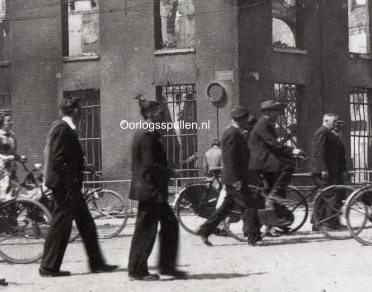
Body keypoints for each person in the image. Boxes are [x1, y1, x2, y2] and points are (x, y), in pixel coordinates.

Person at [39, 97, 117, 277]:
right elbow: (59, 160)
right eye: (80, 109)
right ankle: (48, 267)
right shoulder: (62, 129)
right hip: (65, 186)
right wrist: (71, 180)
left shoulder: (66, 129)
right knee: (61, 225)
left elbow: (67, 157)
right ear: (74, 110)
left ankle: (97, 263)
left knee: (87, 224)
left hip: (69, 186)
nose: (82, 113)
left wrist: (83, 166)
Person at [128, 97, 186, 281]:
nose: (164, 116)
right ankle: (137, 271)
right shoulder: (147, 134)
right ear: (150, 114)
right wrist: (170, 172)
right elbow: (150, 165)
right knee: (146, 229)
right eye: (161, 113)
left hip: (152, 190)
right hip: (150, 190)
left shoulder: (148, 132)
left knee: (169, 224)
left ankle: (166, 267)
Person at [196, 107, 261, 246]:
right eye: (244, 120)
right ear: (240, 120)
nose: (246, 122)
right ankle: (253, 237)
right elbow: (230, 158)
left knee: (224, 208)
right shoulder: (232, 133)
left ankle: (204, 230)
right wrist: (237, 179)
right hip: (235, 179)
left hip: (233, 179)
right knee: (249, 206)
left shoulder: (234, 132)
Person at [248, 100, 302, 205]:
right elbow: (273, 144)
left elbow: (274, 145)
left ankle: (274, 205)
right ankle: (274, 194)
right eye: (275, 111)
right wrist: (292, 151)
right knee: (288, 165)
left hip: (264, 159)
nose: (278, 114)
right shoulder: (262, 125)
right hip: (261, 160)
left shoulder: (266, 124)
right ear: (266, 112)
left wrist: (290, 153)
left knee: (276, 179)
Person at [311, 113, 348, 230]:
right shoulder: (323, 132)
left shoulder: (329, 133)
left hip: (329, 171)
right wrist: (323, 169)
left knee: (324, 197)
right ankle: (328, 224)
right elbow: (320, 152)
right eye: (334, 122)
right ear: (326, 121)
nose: (336, 125)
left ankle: (318, 224)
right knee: (331, 196)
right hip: (323, 171)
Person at [0, 113, 19, 201]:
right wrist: (4, 157)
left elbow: (14, 153)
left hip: (13, 169)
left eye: (11, 120)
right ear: (2, 122)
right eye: (8, 121)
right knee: (6, 196)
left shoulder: (12, 135)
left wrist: (20, 158)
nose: (11, 122)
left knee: (15, 194)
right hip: (3, 169)